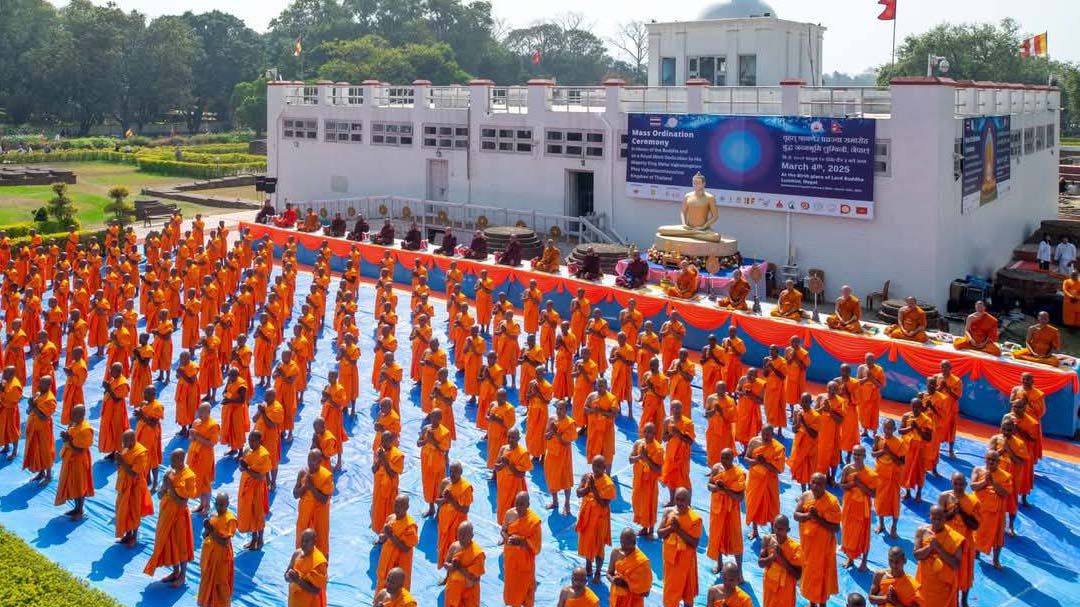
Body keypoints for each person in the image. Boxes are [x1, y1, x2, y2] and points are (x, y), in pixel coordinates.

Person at [144, 449, 198, 586]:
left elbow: (182, 502)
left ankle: (183, 575)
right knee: (169, 543)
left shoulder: (189, 476)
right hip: (166, 514)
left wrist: (171, 488)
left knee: (181, 545)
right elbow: (160, 495)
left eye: (173, 460)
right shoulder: (170, 473)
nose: (171, 463)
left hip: (179, 516)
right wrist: (163, 487)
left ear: (181, 460)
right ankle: (175, 571)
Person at [794, 473, 841, 607]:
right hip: (808, 546)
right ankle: (812, 603)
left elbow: (835, 528)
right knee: (810, 574)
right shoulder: (805, 496)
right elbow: (796, 515)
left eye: (819, 483)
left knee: (822, 577)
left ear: (824, 485)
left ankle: (822, 604)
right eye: (813, 482)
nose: (815, 486)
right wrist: (808, 515)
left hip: (824, 548)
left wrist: (818, 519)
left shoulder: (832, 502)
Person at [658, 487, 702, 607]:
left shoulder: (695, 519)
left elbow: (694, 542)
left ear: (689, 501)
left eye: (683, 500)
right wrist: (671, 528)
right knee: (670, 594)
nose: (680, 502)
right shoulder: (668, 513)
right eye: (677, 499)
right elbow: (660, 533)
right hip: (671, 561)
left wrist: (678, 530)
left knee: (688, 593)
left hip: (686, 561)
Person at [939, 473, 979, 607]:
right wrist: (952, 512)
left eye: (961, 484)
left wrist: (960, 511)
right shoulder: (944, 497)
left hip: (965, 543)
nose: (958, 487)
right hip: (948, 541)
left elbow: (975, 525)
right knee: (949, 572)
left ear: (966, 485)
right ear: (951, 482)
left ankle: (963, 600)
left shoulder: (973, 500)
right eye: (955, 483)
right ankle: (952, 599)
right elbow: (939, 519)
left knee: (965, 573)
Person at [914, 505, 964, 607]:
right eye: (934, 518)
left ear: (945, 518)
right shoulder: (922, 531)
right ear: (929, 516)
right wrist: (929, 547)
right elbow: (917, 555)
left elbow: (956, 564)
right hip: (925, 581)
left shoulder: (954, 537)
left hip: (943, 585)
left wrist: (939, 549)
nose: (936, 522)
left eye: (939, 519)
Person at [839, 445, 878, 571]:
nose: (856, 457)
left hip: (863, 508)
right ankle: (850, 557)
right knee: (848, 531)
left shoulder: (871, 474)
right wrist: (852, 484)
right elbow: (842, 485)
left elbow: (873, 494)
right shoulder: (847, 469)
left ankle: (864, 562)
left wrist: (859, 483)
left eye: (859, 454)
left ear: (864, 456)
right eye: (855, 454)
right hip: (849, 505)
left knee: (863, 534)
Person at [707, 449, 746, 577]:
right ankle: (719, 564)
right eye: (722, 458)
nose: (724, 461)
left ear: (733, 458)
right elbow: (709, 486)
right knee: (717, 535)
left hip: (731, 512)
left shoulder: (739, 473)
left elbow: (740, 497)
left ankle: (739, 570)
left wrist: (726, 490)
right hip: (717, 510)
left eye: (727, 458)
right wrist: (717, 488)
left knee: (735, 539)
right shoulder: (716, 468)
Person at [576, 455, 615, 582]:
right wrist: (588, 488)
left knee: (599, 547)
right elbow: (578, 493)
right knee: (587, 542)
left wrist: (594, 489)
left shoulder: (608, 483)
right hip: (587, 517)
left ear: (604, 468)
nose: (596, 469)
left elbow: (604, 504)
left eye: (599, 467)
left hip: (600, 520)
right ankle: (588, 564)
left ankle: (598, 571)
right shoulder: (587, 477)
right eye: (594, 466)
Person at [971, 449, 1012, 570]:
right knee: (977, 531)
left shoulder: (1005, 476)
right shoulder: (978, 470)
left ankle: (995, 560)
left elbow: (1005, 493)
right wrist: (985, 481)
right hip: (980, 508)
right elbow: (973, 486)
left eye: (993, 460)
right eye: (988, 459)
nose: (990, 462)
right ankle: (976, 551)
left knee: (997, 535)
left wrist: (993, 482)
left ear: (998, 462)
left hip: (996, 511)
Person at [744, 425, 785, 540]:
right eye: (764, 434)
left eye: (769, 435)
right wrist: (756, 461)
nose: (766, 437)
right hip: (755, 480)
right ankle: (755, 530)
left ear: (773, 435)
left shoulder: (778, 448)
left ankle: (774, 532)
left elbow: (779, 470)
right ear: (760, 432)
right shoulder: (754, 442)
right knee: (754, 504)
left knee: (773, 506)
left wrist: (765, 463)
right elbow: (746, 459)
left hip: (769, 482)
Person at [502, 491, 542, 607]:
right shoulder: (509, 514)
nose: (519, 507)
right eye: (517, 504)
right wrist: (508, 538)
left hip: (526, 563)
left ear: (528, 504)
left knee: (527, 590)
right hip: (511, 560)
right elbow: (503, 530)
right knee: (513, 588)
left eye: (522, 504)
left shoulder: (534, 521)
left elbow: (537, 546)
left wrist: (522, 542)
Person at [198, 492, 237, 607]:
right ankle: (208, 602)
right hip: (210, 555)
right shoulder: (214, 516)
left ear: (227, 504)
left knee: (220, 583)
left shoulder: (230, 519)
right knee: (207, 579)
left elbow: (225, 542)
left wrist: (212, 530)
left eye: (222, 505)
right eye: (217, 504)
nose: (219, 507)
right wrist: (207, 528)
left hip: (221, 558)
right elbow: (205, 535)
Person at [115, 429, 153, 547]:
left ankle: (134, 536)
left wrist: (121, 461)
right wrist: (119, 462)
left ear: (132, 439)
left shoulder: (141, 453)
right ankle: (127, 534)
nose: (123, 443)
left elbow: (134, 473)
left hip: (135, 488)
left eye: (125, 441)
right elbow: (122, 466)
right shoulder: (127, 448)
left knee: (134, 512)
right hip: (124, 486)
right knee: (123, 511)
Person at [55, 404, 93, 519]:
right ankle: (76, 508)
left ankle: (80, 510)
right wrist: (67, 437)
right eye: (72, 414)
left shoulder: (85, 429)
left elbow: (80, 449)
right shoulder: (75, 424)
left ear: (82, 415)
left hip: (79, 461)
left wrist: (68, 440)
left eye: (74, 414)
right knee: (73, 484)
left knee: (79, 485)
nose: (72, 416)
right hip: (70, 459)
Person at [294, 449, 334, 556]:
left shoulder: (326, 477)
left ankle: (322, 570)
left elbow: (324, 499)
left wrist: (311, 487)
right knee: (301, 542)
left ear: (320, 461)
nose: (310, 463)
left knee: (321, 543)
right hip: (304, 514)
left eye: (314, 461)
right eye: (309, 460)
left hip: (319, 516)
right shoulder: (303, 473)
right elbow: (295, 494)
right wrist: (305, 487)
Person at [375, 495, 418, 593]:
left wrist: (391, 536)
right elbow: (384, 536)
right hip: (386, 559)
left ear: (407, 507)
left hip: (400, 562)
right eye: (396, 505)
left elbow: (406, 548)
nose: (397, 508)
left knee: (397, 588)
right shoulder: (391, 518)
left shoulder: (410, 526)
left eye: (400, 506)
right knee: (383, 582)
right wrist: (383, 537)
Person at [872, 419, 906, 538]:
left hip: (893, 476)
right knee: (880, 500)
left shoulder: (900, 442)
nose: (887, 431)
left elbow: (901, 462)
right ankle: (881, 524)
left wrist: (889, 453)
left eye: (890, 428)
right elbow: (873, 453)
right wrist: (882, 451)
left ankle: (894, 527)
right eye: (885, 428)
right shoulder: (878, 439)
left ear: (894, 429)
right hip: (880, 474)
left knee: (894, 502)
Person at [759, 514, 803, 607]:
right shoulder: (767, 540)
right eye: (775, 527)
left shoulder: (795, 548)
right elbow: (760, 563)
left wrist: (781, 559)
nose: (777, 531)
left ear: (788, 530)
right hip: (769, 586)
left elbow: (798, 575)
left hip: (785, 590)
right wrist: (772, 557)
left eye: (781, 529)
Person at [629, 422, 664, 537]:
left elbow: (658, 470)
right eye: (646, 431)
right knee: (639, 504)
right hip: (638, 481)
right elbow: (630, 459)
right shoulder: (638, 444)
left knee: (650, 505)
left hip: (650, 483)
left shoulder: (658, 448)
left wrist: (646, 458)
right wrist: (640, 457)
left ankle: (651, 530)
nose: (647, 434)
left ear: (655, 434)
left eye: (650, 432)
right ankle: (644, 527)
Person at [435, 461, 473, 568]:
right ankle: (446, 572)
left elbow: (465, 510)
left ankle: (450, 575)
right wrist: (445, 500)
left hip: (457, 526)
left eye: (455, 472)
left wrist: (451, 500)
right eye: (450, 471)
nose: (452, 474)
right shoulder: (444, 483)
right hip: (444, 522)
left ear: (460, 472)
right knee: (444, 548)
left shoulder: (465, 487)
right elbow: (437, 501)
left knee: (456, 551)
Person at [606, 528, 653, 607]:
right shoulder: (615, 553)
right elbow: (609, 573)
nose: (623, 546)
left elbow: (646, 592)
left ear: (634, 542)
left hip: (633, 602)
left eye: (626, 543)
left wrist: (625, 585)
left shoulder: (642, 562)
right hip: (616, 598)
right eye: (621, 542)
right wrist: (613, 580)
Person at [443, 521, 486, 607]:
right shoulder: (454, 546)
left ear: (471, 536)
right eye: (460, 534)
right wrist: (451, 567)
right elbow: (446, 563)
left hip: (470, 589)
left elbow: (473, 577)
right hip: (454, 587)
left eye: (464, 535)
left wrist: (458, 568)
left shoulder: (477, 553)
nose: (461, 537)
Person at [372, 430, 405, 533]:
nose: (384, 443)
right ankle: (380, 532)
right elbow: (374, 469)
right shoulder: (379, 451)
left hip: (390, 489)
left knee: (389, 511)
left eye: (386, 440)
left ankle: (388, 534)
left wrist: (384, 459)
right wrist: (378, 460)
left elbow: (392, 474)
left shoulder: (397, 455)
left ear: (391, 441)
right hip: (379, 488)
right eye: (382, 441)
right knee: (379, 511)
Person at [286, 529, 328, 607]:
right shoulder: (297, 553)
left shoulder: (319, 562)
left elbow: (316, 591)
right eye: (302, 541)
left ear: (314, 542)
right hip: (294, 601)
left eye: (307, 541)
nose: (303, 544)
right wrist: (289, 577)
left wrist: (298, 581)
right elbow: (286, 575)